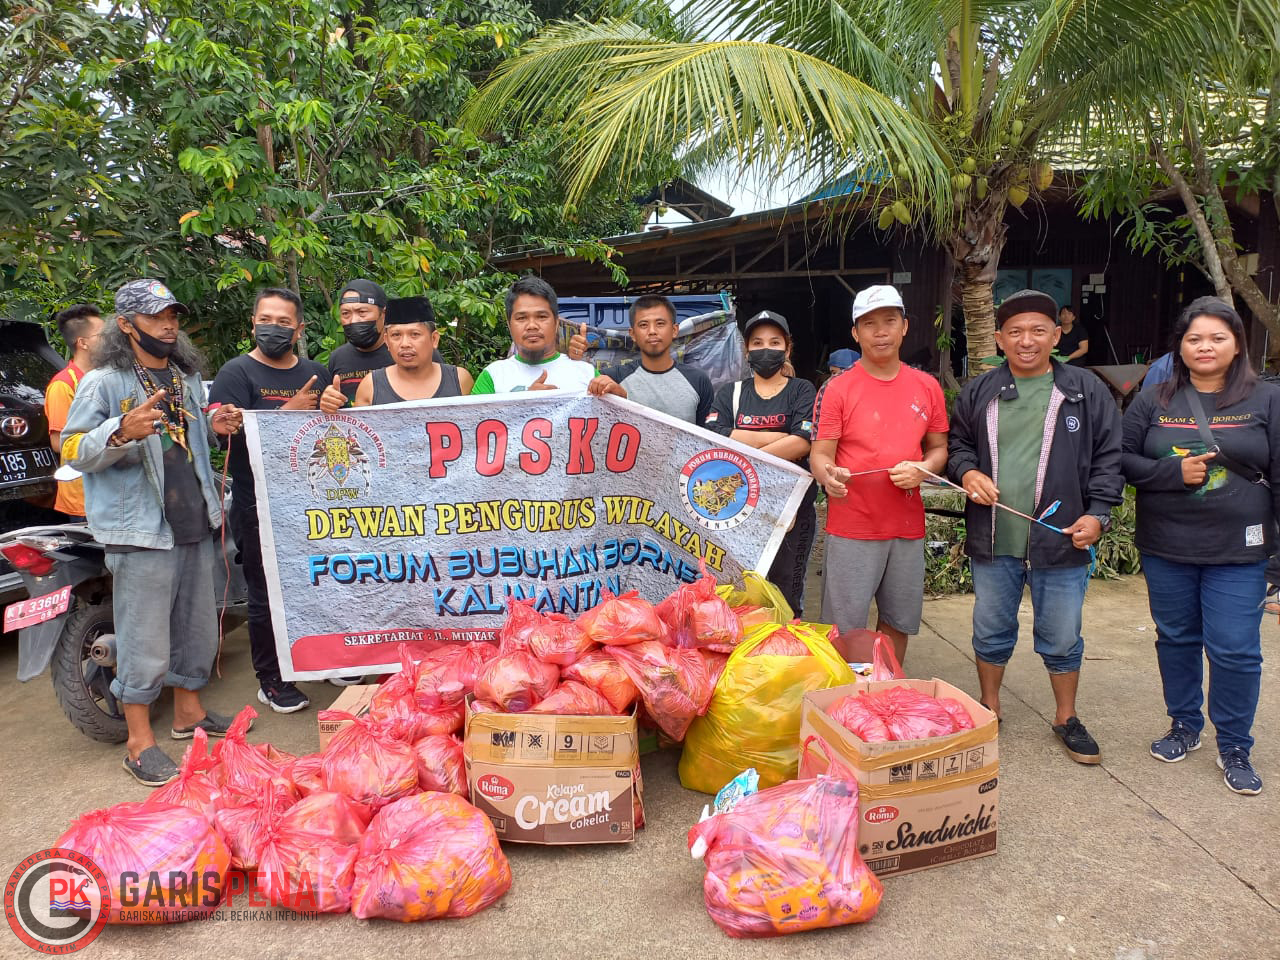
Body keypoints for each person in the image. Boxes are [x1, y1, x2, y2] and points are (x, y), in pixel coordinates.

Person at [62, 279, 245, 785]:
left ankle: (189, 714)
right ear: (125, 325)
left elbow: (191, 443)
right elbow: (74, 450)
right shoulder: (104, 382)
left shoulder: (183, 379)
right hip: (140, 530)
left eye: (173, 316)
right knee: (144, 639)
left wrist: (216, 424)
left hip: (192, 521)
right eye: (155, 316)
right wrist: (119, 431)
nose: (168, 324)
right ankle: (139, 743)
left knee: (197, 628)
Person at [948, 288, 1122, 765]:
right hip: (995, 536)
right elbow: (958, 444)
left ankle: (1066, 717)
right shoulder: (981, 391)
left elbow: (1110, 458)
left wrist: (1099, 514)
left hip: (1063, 537)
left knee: (1062, 633)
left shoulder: (1085, 390)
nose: (1027, 341)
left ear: (1057, 334)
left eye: (1039, 330)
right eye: (1017, 332)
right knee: (990, 627)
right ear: (1000, 339)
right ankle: (989, 707)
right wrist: (968, 472)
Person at [1121, 296, 1277, 795]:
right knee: (1177, 639)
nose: (1204, 346)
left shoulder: (1268, 399)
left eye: (1216, 338)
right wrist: (1170, 472)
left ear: (1237, 345)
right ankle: (1185, 725)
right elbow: (1121, 460)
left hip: (1241, 551)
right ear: (1180, 347)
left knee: (1234, 650)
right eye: (1194, 339)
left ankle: (1234, 744)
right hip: (1167, 546)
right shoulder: (1154, 399)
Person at [809, 285, 948, 663]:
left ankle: (887, 692)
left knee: (898, 621)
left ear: (905, 326)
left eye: (890, 321)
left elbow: (939, 450)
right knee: (845, 627)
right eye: (869, 324)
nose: (881, 331)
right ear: (856, 333)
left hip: (906, 525)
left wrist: (924, 468)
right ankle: (844, 702)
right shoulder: (837, 389)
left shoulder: (927, 387)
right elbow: (820, 455)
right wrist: (829, 475)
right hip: (853, 524)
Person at [209, 288, 330, 714]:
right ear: (252, 324)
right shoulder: (235, 373)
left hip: (312, 499)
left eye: (283, 322)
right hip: (255, 499)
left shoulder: (316, 371)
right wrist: (288, 413)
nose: (273, 328)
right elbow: (221, 431)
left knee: (316, 581)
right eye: (266, 319)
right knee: (264, 591)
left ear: (299, 329)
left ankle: (317, 657)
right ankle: (272, 678)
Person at [705, 310, 817, 615]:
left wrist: (745, 442)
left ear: (787, 348)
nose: (765, 348)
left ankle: (784, 656)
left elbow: (804, 441)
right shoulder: (731, 392)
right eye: (757, 342)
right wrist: (780, 437)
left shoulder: (802, 390)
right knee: (741, 592)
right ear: (747, 350)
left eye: (774, 342)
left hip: (792, 510)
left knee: (787, 593)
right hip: (739, 507)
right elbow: (717, 437)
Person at [320, 295, 473, 409]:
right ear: (387, 341)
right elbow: (360, 439)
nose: (405, 344)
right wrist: (331, 409)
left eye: (415, 334)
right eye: (396, 335)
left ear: (434, 339)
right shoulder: (371, 386)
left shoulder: (459, 380)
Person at [586, 294, 713, 425]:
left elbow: (708, 438)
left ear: (674, 330)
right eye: (643, 325)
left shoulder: (698, 381)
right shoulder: (611, 379)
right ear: (633, 334)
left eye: (660, 324)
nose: (652, 331)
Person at [471, 276, 595, 393]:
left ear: (556, 322)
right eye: (521, 318)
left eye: (541, 317)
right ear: (509, 325)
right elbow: (473, 415)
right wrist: (527, 401)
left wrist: (614, 391)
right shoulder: (492, 376)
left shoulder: (587, 374)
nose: (532, 325)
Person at [45, 304, 104, 521]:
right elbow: (59, 442)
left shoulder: (106, 378)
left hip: (109, 492)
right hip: (83, 498)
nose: (110, 339)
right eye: (103, 335)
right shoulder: (64, 384)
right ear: (83, 343)